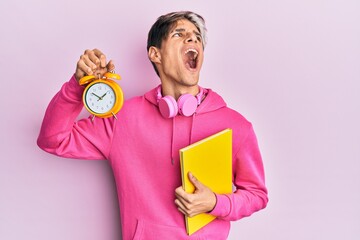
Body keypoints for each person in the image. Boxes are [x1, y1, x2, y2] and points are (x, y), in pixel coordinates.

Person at [37, 11, 268, 240]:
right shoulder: (123, 119)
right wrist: (77, 85)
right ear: (155, 54)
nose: (192, 39)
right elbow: (53, 139)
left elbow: (257, 195)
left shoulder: (235, 125)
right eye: (180, 34)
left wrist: (217, 203)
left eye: (197, 37)